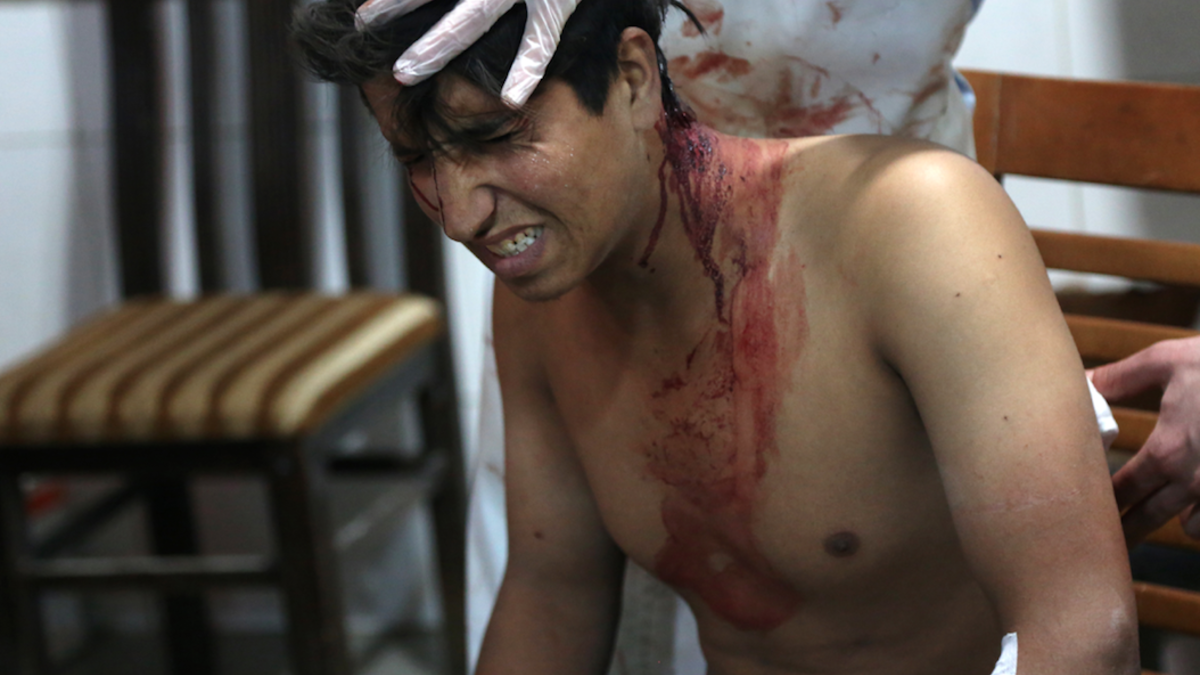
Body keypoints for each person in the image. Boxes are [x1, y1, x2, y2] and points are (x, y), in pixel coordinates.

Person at [293, 1, 1140, 673]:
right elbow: (552, 604)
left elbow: (1081, 636)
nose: (460, 212)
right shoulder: (541, 299)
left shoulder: (913, 228)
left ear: (630, 78)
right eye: (417, 159)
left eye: (496, 137)